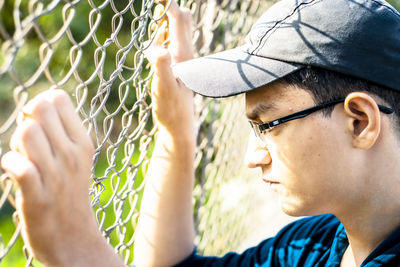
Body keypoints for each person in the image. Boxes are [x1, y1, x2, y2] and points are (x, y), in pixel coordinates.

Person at [2, 0, 400, 266]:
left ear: (359, 121)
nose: (252, 157)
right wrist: (176, 133)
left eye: (268, 125)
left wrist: (79, 252)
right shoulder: (317, 244)